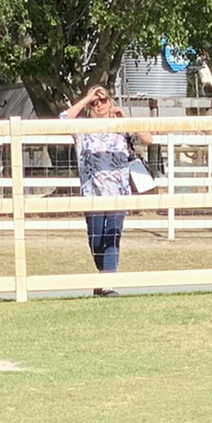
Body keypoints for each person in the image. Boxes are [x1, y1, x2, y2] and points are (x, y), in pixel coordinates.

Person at [61, 84, 149, 297]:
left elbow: (148, 139)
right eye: (95, 102)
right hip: (92, 193)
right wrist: (85, 98)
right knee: (96, 240)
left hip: (119, 192)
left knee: (112, 236)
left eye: (103, 100)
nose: (99, 104)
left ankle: (108, 283)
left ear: (111, 101)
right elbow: (63, 119)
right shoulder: (82, 129)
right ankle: (103, 278)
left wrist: (125, 118)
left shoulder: (121, 126)